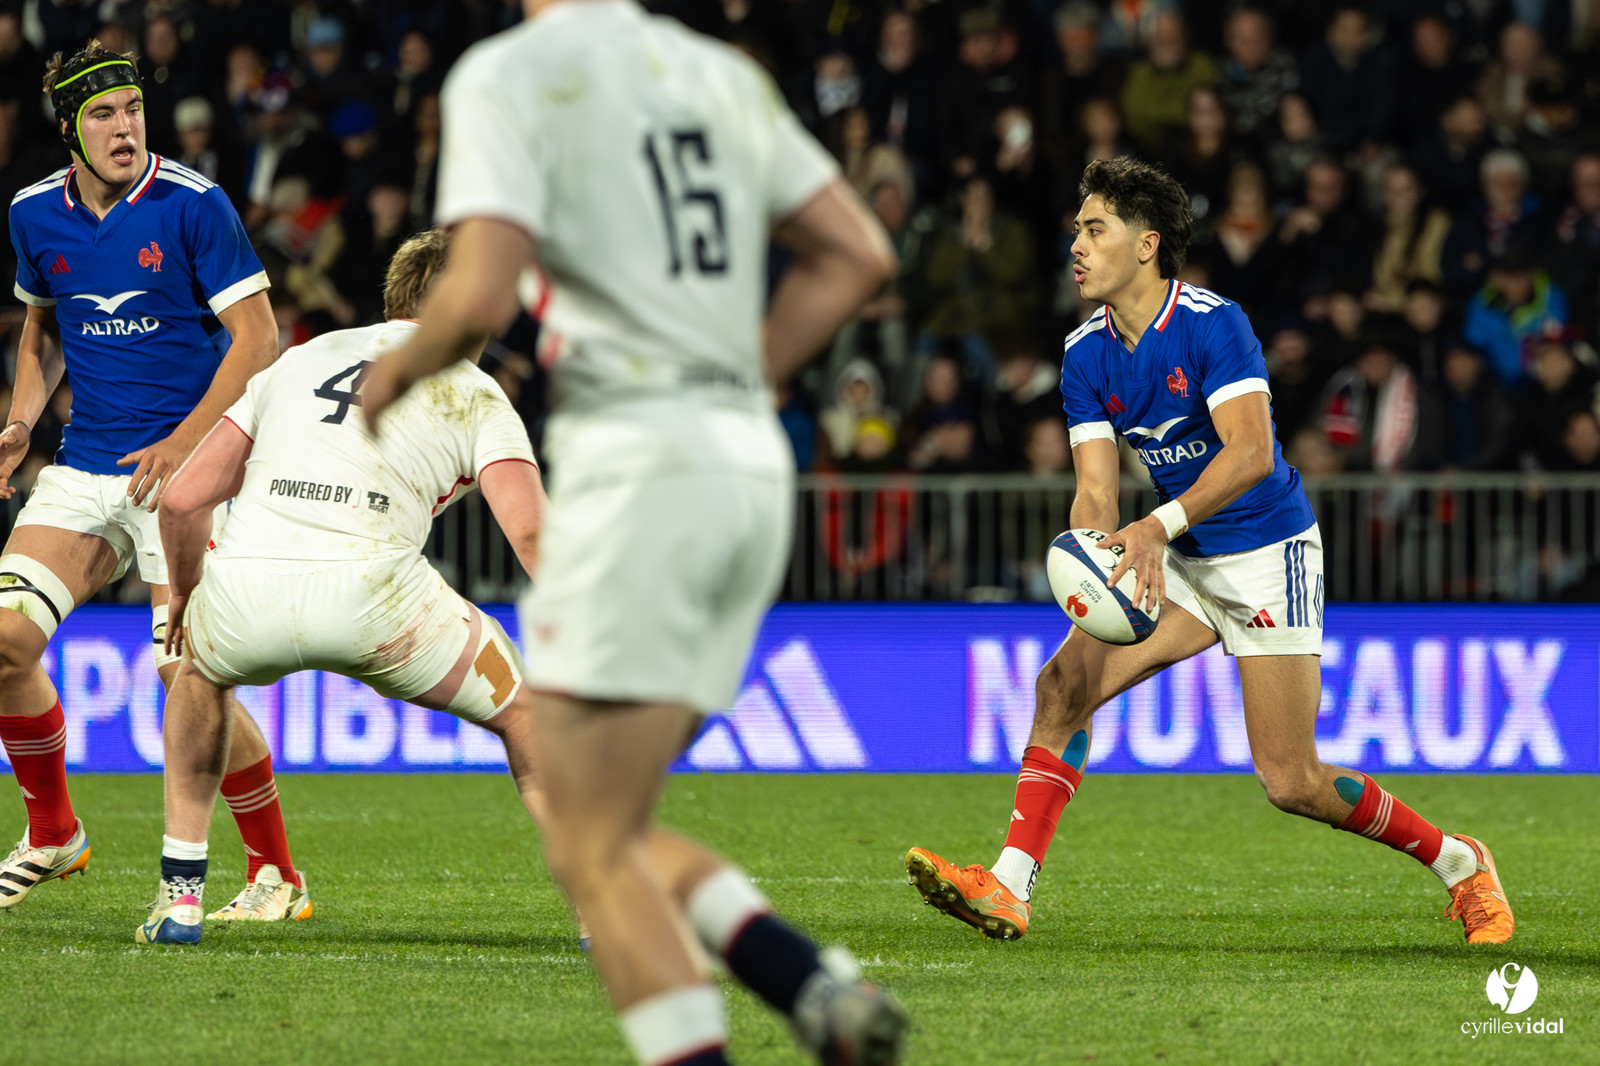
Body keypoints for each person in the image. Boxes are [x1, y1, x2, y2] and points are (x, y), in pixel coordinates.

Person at [358, 4, 905, 1066]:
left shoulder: (510, 74)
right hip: (745, 468)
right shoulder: (714, 71)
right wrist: (743, 376)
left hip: (638, 469)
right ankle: (809, 986)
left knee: (588, 838)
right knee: (603, 828)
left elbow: (476, 285)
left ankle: (792, 996)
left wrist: (396, 368)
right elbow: (856, 253)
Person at [904, 156, 1513, 948]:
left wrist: (1156, 525)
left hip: (1266, 548)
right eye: (1076, 231)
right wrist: (1095, 552)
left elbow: (1252, 451)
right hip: (1177, 551)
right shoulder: (1085, 351)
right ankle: (1010, 887)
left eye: (1096, 230)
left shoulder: (1211, 324)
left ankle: (1463, 864)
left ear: (1148, 244)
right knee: (1062, 687)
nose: (1077, 247)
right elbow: (1095, 488)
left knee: (1292, 782)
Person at [139, 230, 545, 945]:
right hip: (376, 600)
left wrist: (183, 596)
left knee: (198, 678)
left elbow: (182, 499)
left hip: (247, 592)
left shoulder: (301, 358)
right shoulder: (473, 388)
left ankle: (179, 900)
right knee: (529, 715)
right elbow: (532, 535)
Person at [0, 42, 297, 917]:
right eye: (103, 113)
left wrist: (184, 442)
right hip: (88, 464)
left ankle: (276, 870)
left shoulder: (193, 204)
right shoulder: (30, 214)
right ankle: (54, 833)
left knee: (186, 679)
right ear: (70, 131)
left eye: (132, 107)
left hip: (193, 475)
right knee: (4, 643)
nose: (124, 125)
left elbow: (259, 339)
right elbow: (42, 331)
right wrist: (21, 421)